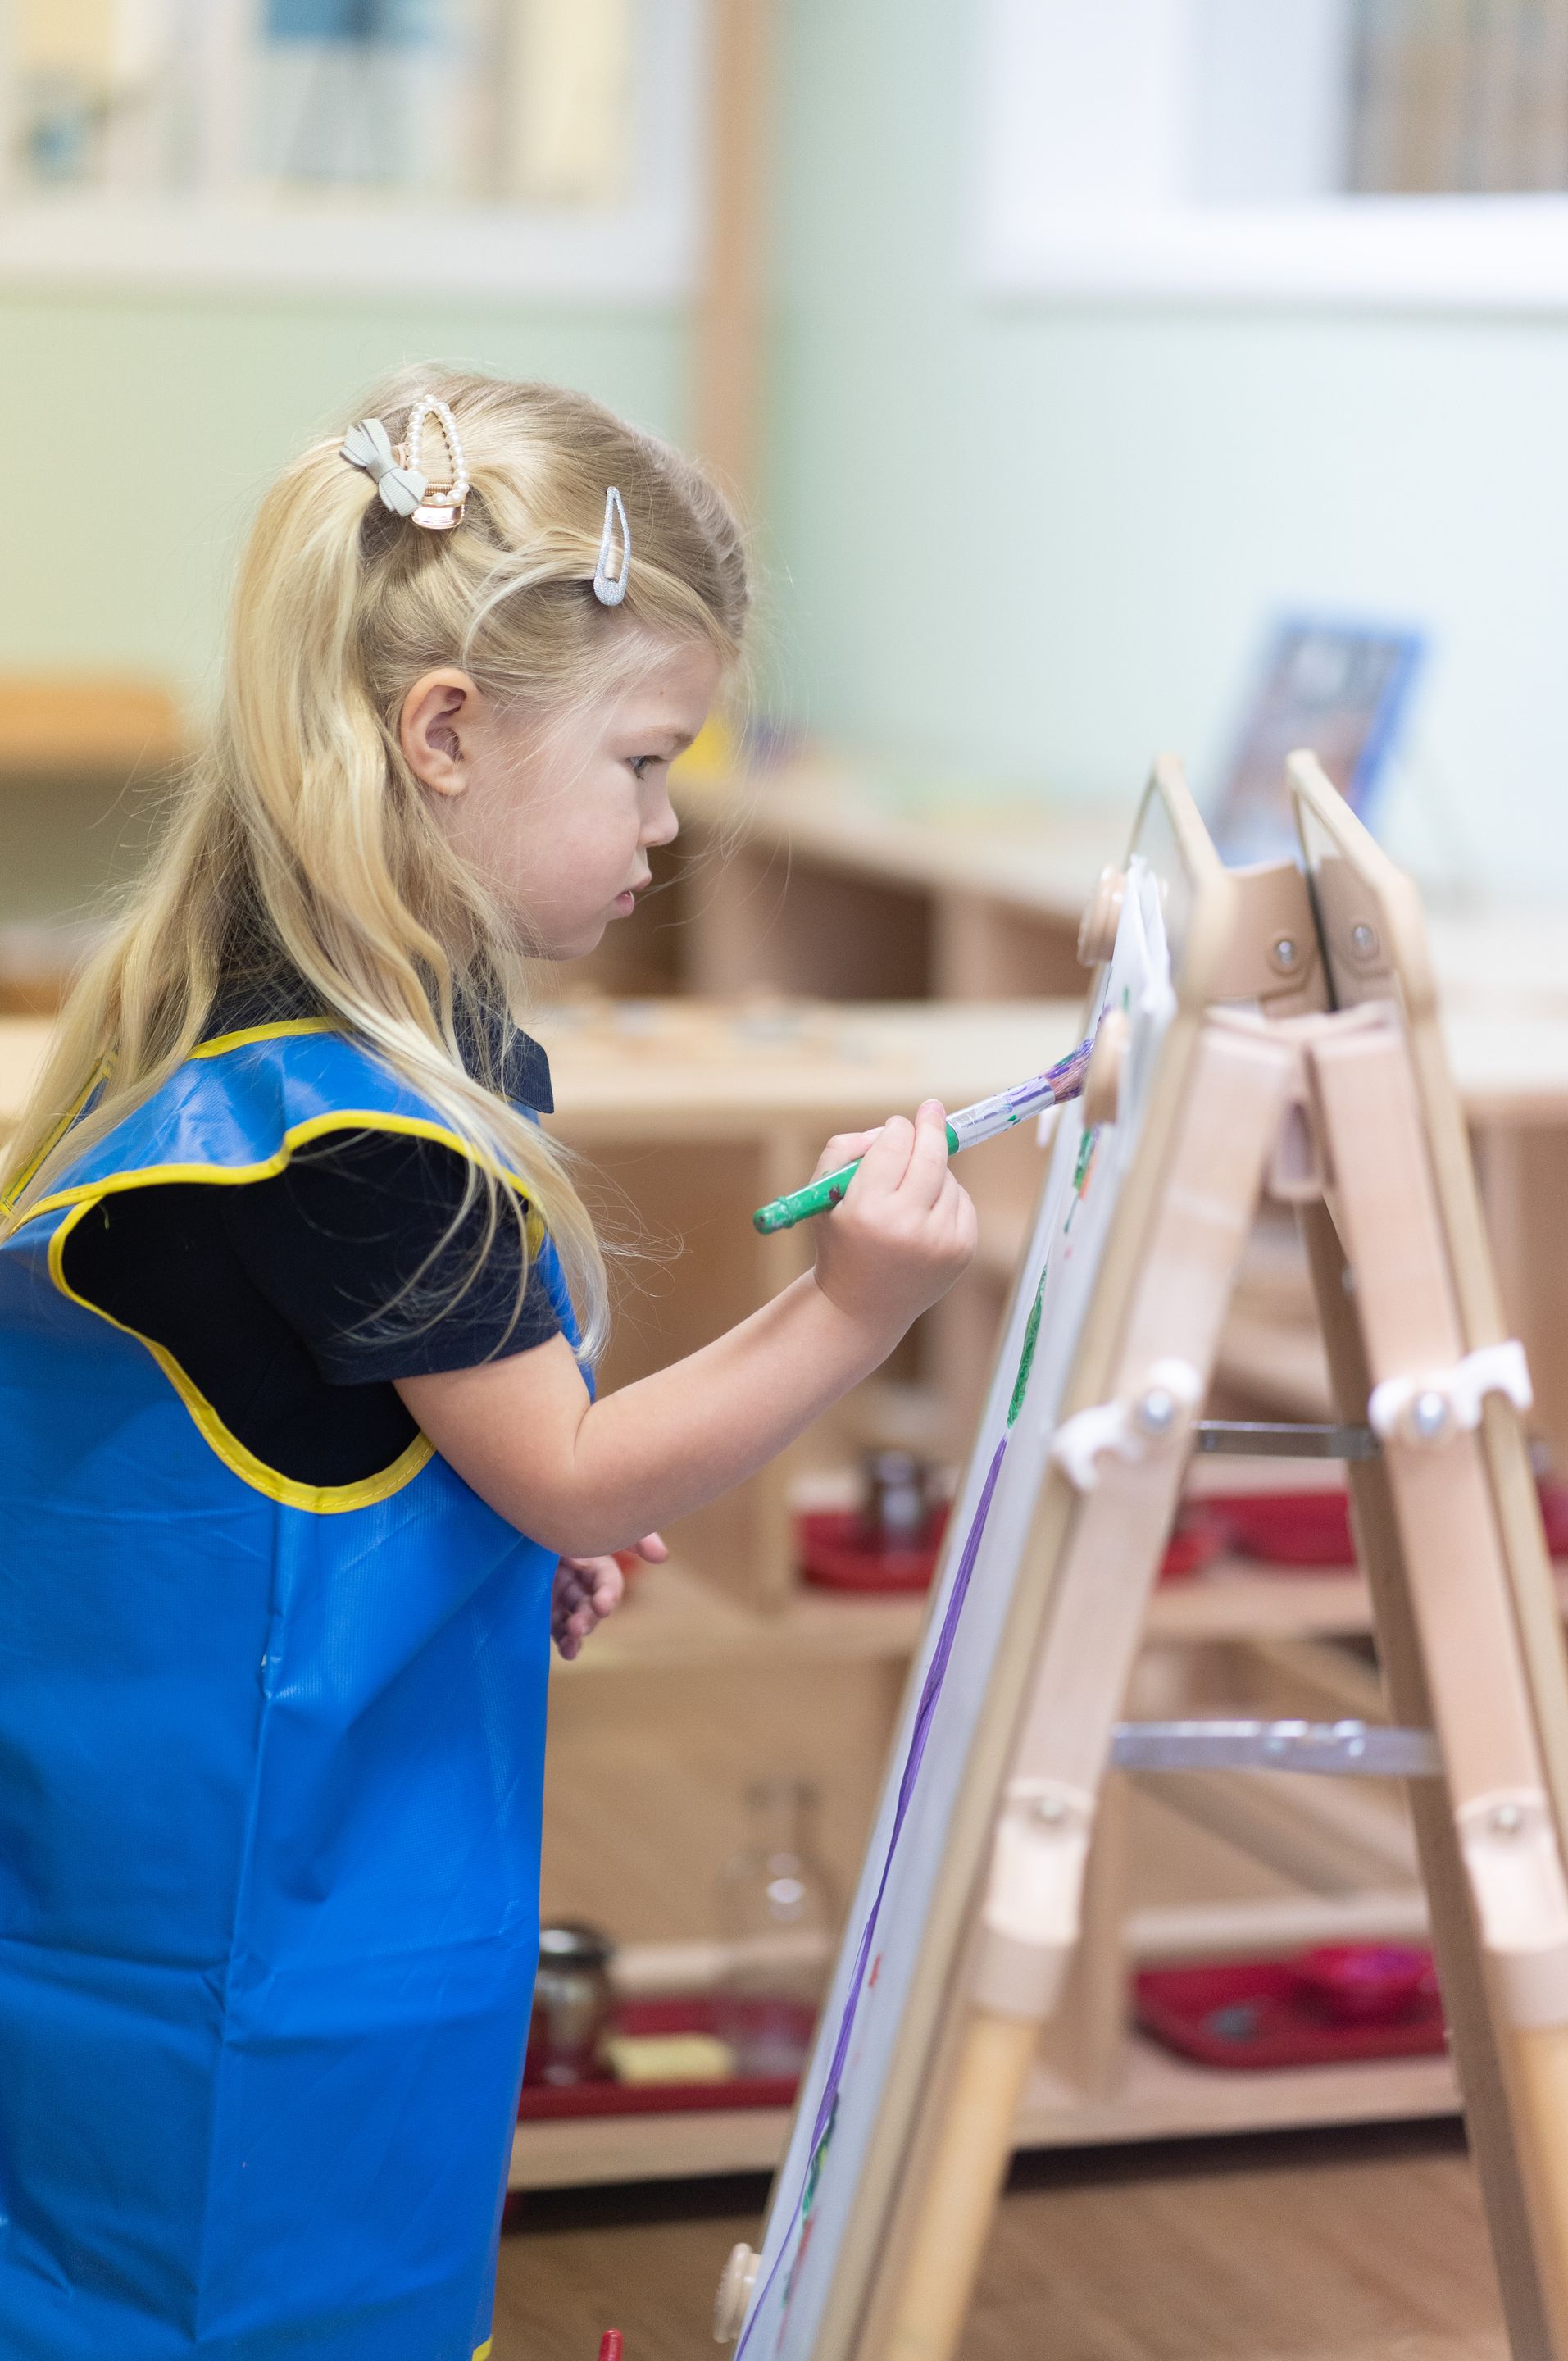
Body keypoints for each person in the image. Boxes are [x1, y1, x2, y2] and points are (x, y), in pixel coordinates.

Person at [0, 368, 975, 2361]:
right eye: (638, 758)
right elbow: (575, 1470)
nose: (667, 817)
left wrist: (480, 1537)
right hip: (233, 1900)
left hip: (143, 1825)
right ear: (443, 735)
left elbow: (368, 1430)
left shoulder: (289, 1021)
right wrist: (851, 1310)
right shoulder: (362, 1129)